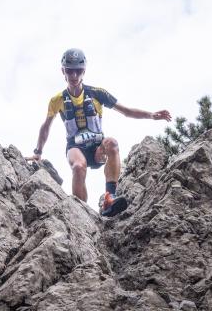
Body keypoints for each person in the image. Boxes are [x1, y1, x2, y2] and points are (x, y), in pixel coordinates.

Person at [31, 48, 171, 217]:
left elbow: (126, 111)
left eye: (78, 71)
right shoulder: (57, 100)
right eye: (69, 71)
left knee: (112, 143)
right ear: (63, 71)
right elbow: (46, 127)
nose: (74, 75)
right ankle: (81, 212)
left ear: (84, 71)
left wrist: (151, 115)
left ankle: (109, 198)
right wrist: (38, 152)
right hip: (75, 147)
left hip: (98, 147)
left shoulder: (98, 93)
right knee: (78, 166)